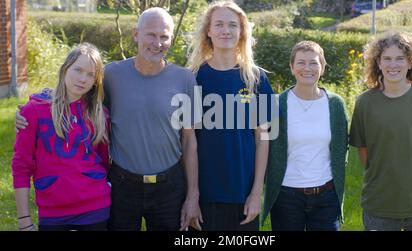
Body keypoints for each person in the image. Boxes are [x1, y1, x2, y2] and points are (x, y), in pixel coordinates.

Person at [16, 8, 202, 231]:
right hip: (123, 185)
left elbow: (190, 140)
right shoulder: (113, 75)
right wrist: (33, 105)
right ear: (136, 34)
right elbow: (76, 90)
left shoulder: (185, 79)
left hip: (169, 186)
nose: (157, 42)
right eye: (151, 35)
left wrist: (193, 195)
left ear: (172, 38)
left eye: (164, 36)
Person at [349, 31, 412, 231]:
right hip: (379, 205)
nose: (392, 65)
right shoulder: (365, 102)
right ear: (378, 62)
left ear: (411, 62)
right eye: (386, 58)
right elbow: (363, 152)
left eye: (399, 59)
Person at [188, 0, 274, 231]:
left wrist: (257, 193)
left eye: (232, 25)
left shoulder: (257, 79)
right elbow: (189, 142)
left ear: (242, 31)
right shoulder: (192, 78)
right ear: (208, 31)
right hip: (205, 197)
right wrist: (191, 195)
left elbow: (263, 139)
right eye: (219, 24)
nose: (225, 30)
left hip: (244, 196)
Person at [12, 43, 111, 231]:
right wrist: (24, 219)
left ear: (96, 81)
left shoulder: (99, 115)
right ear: (65, 69)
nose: (83, 79)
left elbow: (103, 161)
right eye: (78, 70)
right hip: (53, 212)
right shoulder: (34, 111)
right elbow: (21, 166)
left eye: (91, 75)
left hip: (96, 207)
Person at [261, 41, 348, 231]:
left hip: (326, 197)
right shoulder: (276, 104)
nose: (307, 68)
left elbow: (342, 150)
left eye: (314, 62)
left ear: (322, 68)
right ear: (292, 67)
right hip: (286, 196)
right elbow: (261, 147)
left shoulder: (336, 104)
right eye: (301, 62)